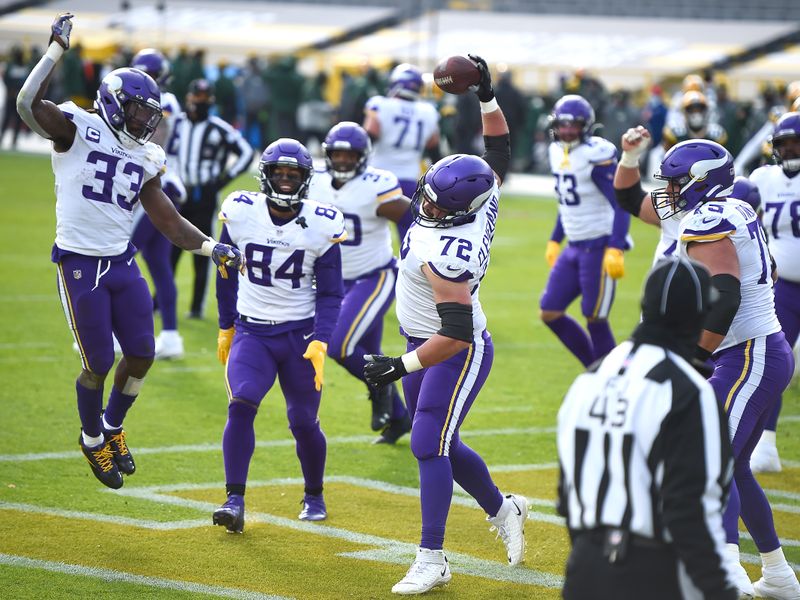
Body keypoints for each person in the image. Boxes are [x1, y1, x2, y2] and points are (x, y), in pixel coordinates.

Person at [15, 14, 244, 489]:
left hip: (121, 260)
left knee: (141, 353)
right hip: (80, 263)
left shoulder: (144, 156)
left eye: (149, 113)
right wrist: (56, 50)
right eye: (137, 111)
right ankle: (91, 434)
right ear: (114, 105)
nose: (145, 120)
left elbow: (167, 220)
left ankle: (114, 427)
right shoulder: (77, 127)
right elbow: (25, 102)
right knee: (98, 362)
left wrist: (211, 247)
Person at [363, 55, 527, 595]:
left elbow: (455, 333)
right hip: (424, 336)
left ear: (456, 212)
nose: (424, 204)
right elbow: (498, 149)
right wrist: (486, 92)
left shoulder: (445, 251)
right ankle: (504, 509)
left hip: (452, 346)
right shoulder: (481, 195)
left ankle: (432, 556)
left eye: (434, 202)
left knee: (428, 442)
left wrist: (399, 365)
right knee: (442, 440)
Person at [614, 131, 800, 599]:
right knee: (733, 464)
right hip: (756, 350)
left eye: (675, 183)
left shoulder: (710, 218)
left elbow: (726, 296)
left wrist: (692, 356)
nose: (668, 191)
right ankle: (778, 575)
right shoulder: (733, 208)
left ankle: (727, 574)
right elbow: (767, 272)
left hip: (747, 353)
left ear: (699, 181)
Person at [558, 257, 738, 600]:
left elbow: (567, 494)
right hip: (657, 573)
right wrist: (719, 591)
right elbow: (692, 509)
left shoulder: (589, 378)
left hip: (584, 568)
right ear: (697, 316)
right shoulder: (687, 390)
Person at [212, 138, 345, 533]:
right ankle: (234, 500)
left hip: (299, 335)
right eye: (279, 173)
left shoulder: (322, 222)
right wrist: (226, 324)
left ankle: (315, 493)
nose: (285, 180)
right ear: (265, 175)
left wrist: (321, 339)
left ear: (305, 179)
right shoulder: (240, 211)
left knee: (303, 421)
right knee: (242, 402)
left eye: (294, 174)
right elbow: (223, 271)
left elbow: (332, 291)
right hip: (252, 331)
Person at [307, 121, 412, 443]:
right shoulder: (315, 182)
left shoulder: (376, 184)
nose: (342, 161)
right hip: (332, 282)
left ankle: (381, 389)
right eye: (336, 154)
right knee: (368, 350)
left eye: (349, 155)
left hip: (373, 276)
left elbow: (410, 217)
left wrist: (412, 258)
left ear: (363, 157)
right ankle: (399, 417)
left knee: (339, 345)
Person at [540, 94, 630, 368]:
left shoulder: (595, 155)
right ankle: (595, 369)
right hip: (575, 246)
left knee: (594, 316)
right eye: (563, 125)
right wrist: (556, 239)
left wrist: (616, 246)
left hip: (599, 244)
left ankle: (615, 380)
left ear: (586, 126)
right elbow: (566, 202)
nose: (567, 131)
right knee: (550, 311)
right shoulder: (557, 151)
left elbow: (621, 203)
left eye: (574, 125)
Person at [172, 78, 254, 318]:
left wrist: (222, 180)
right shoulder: (176, 123)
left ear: (211, 102)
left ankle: (196, 307)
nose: (199, 102)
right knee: (171, 249)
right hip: (178, 193)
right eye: (196, 97)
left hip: (204, 195)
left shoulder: (219, 128)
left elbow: (247, 152)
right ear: (188, 98)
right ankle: (161, 299)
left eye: (204, 99)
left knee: (203, 249)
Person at [748, 111, 800, 473]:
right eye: (786, 144)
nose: (792, 149)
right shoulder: (763, 179)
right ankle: (765, 443)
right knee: (771, 361)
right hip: (782, 287)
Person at [129, 48, 186, 359]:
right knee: (159, 265)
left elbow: (155, 139)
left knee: (123, 254)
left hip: (161, 181)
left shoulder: (164, 102)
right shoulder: (164, 99)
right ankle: (172, 335)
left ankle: (112, 332)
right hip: (162, 180)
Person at [363, 63, 440, 241]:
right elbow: (433, 147)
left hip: (377, 176)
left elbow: (368, 137)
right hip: (408, 180)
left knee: (366, 229)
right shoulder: (428, 111)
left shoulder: (380, 104)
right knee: (409, 235)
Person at [662, 91, 728, 151]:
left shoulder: (716, 134)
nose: (696, 114)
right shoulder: (675, 132)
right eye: (691, 110)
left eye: (700, 110)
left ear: (706, 111)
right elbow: (666, 159)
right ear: (684, 112)